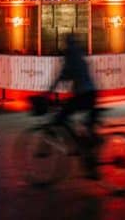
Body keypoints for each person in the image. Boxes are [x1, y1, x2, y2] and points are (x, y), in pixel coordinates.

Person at [49, 34, 99, 176]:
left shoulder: (71, 55)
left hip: (83, 94)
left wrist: (48, 93)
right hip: (90, 93)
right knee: (85, 127)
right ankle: (89, 160)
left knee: (62, 116)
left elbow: (63, 76)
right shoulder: (80, 54)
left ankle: (84, 151)